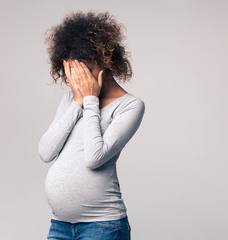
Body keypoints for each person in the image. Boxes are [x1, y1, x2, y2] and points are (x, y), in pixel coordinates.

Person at [38, 10, 145, 240]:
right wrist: (78, 102)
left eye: (84, 70)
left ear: (105, 61)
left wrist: (89, 100)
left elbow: (95, 157)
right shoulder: (71, 99)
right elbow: (46, 152)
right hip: (60, 225)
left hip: (102, 227)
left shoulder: (130, 106)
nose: (77, 79)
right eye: (72, 73)